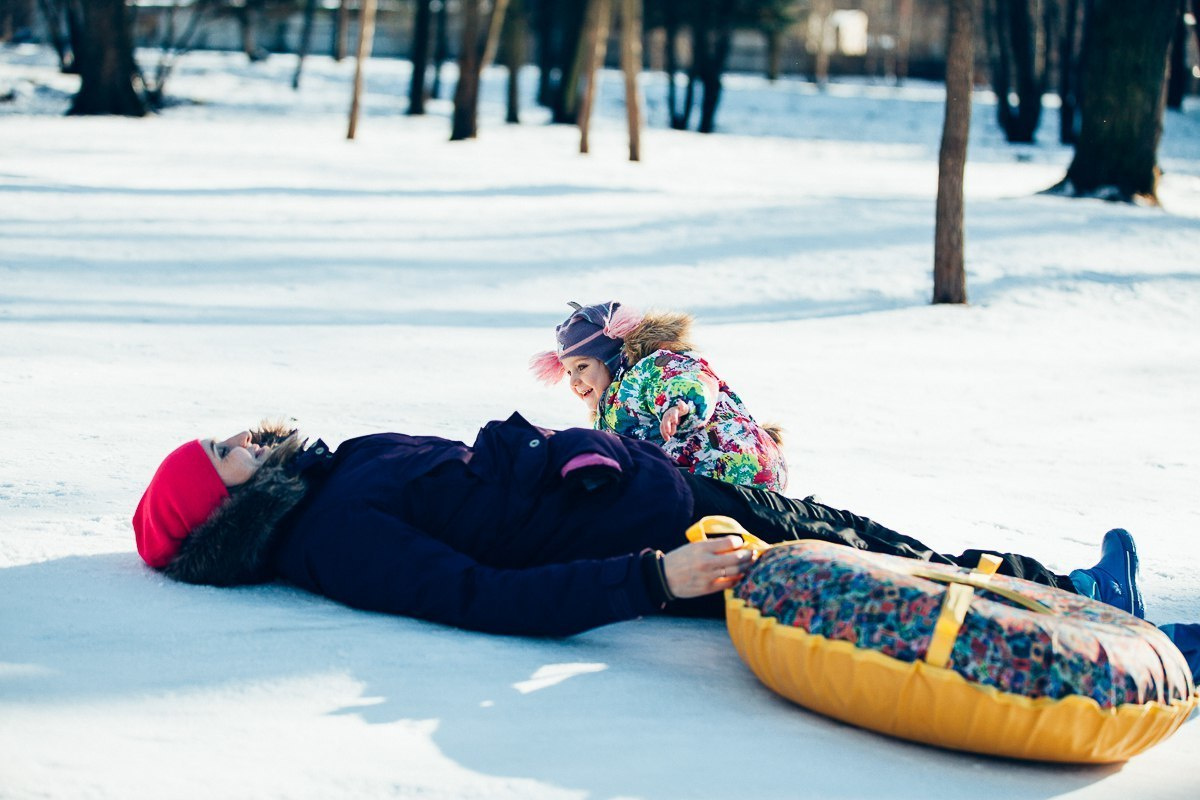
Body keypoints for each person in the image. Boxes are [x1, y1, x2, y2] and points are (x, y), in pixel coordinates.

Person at [132, 413, 1145, 638]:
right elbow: (480, 594)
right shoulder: (333, 538)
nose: (238, 439)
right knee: (878, 578)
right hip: (675, 543)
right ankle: (1081, 623)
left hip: (656, 489)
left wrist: (571, 445)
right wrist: (657, 578)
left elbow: (484, 482)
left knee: (867, 533)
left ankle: (1065, 586)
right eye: (220, 455)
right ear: (224, 505)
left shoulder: (334, 469)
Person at [530, 301, 788, 492]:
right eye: (568, 372)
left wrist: (680, 405)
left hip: (730, 461)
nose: (574, 381)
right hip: (710, 473)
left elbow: (684, 377)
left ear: (611, 358)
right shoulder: (609, 414)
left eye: (582, 367)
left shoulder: (647, 370)